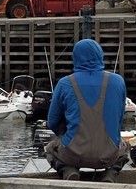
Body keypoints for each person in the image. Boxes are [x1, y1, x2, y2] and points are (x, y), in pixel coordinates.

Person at [44, 38, 129, 178]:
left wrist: (65, 132)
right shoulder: (118, 81)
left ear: (75, 57)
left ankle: (68, 171)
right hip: (108, 155)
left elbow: (52, 122)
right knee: (126, 147)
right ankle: (110, 174)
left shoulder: (65, 83)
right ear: (100, 55)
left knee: (49, 148)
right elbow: (119, 118)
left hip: (71, 154)